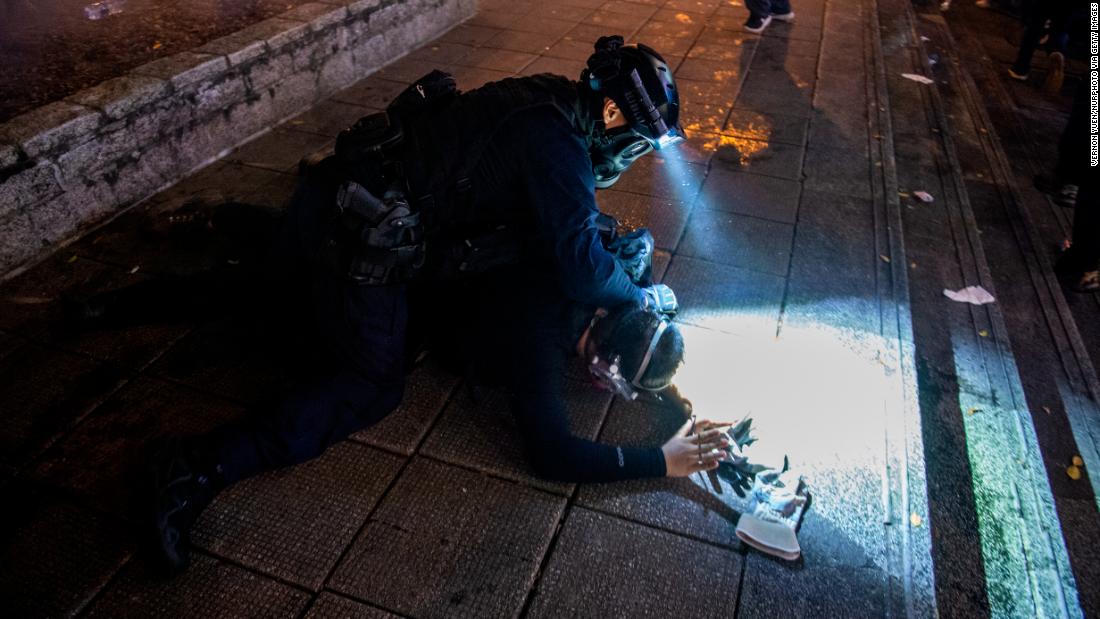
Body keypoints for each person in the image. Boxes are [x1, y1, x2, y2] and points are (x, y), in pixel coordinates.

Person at [118, 35, 737, 574]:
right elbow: (581, 261)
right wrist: (641, 296)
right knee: (373, 383)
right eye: (637, 142)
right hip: (360, 240)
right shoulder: (560, 149)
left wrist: (662, 373)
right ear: (614, 114)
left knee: (272, 287)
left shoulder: (549, 100)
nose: (632, 157)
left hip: (335, 199)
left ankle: (200, 237)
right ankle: (193, 469)